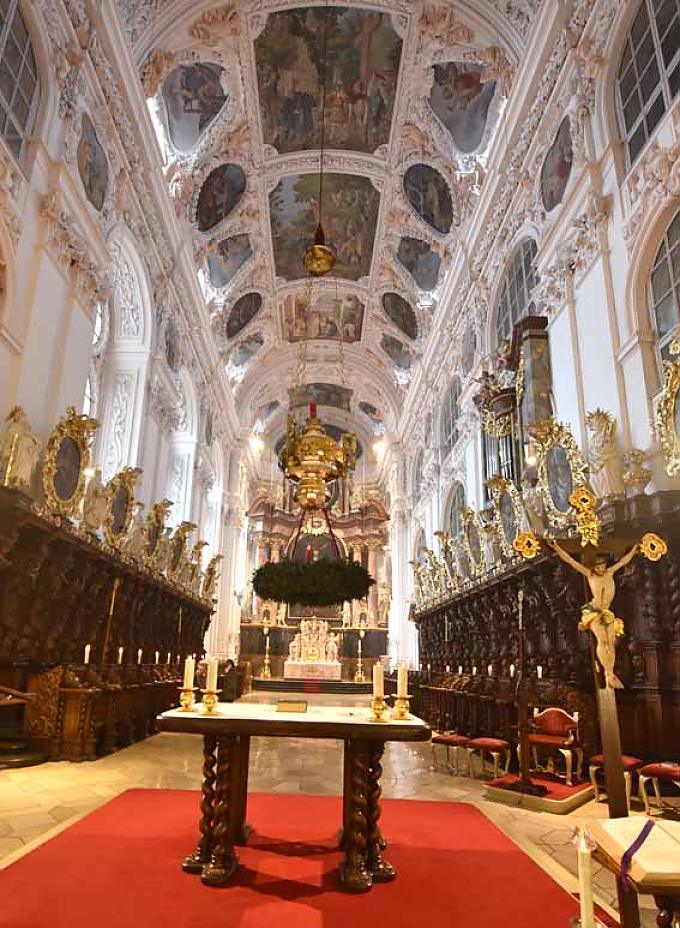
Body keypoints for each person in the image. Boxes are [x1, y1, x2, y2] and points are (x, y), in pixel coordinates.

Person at [546, 539, 640, 688]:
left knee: (611, 642)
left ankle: (610, 672)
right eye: (597, 567)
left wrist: (633, 551)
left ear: (605, 566)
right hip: (594, 611)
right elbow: (570, 561)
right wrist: (557, 548)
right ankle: (608, 673)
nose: (600, 569)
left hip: (606, 611)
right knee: (602, 640)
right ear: (594, 568)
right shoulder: (590, 575)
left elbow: (623, 561)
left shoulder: (610, 572)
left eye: (602, 566)